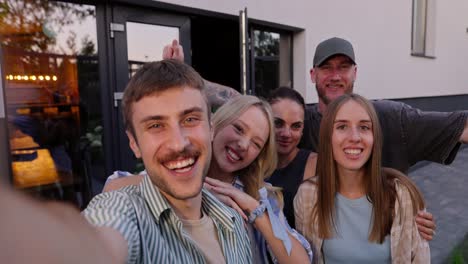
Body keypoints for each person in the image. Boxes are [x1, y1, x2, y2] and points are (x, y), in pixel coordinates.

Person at [0, 60, 255, 263]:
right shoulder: (122, 212)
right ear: (134, 143)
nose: (178, 143)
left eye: (190, 119)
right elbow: (98, 240)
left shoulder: (231, 218)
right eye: (156, 125)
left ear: (211, 129)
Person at [106, 95, 313, 263]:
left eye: (256, 144)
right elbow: (113, 187)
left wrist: (253, 209)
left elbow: (301, 262)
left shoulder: (260, 196)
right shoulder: (178, 172)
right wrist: (196, 187)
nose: (242, 144)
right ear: (214, 126)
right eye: (239, 129)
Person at [294, 93, 430, 263]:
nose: (354, 137)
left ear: (375, 138)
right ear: (328, 137)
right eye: (342, 126)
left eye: (364, 127)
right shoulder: (308, 195)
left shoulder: (401, 195)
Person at [265, 87, 317, 228]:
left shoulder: (315, 165)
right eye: (278, 123)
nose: (286, 134)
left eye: (295, 126)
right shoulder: (249, 162)